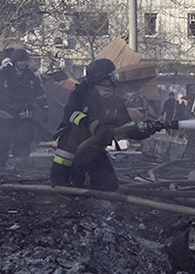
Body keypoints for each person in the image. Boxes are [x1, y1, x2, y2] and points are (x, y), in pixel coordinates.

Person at [50, 58, 159, 191]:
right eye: (112, 76)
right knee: (62, 188)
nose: (115, 79)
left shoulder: (115, 101)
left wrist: (146, 130)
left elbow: (127, 127)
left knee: (108, 186)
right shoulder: (82, 93)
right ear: (100, 79)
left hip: (94, 150)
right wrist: (93, 124)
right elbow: (71, 113)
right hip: (70, 148)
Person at [0, 48, 48, 169]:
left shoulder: (30, 77)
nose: (23, 63)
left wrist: (44, 108)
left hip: (24, 114)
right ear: (14, 62)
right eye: (20, 61)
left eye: (24, 61)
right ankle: (1, 165)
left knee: (23, 139)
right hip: (5, 113)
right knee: (3, 140)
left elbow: (39, 94)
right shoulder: (4, 75)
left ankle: (19, 165)